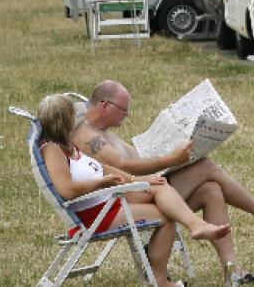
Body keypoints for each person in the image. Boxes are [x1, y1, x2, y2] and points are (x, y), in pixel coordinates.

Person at [70, 80, 254, 285]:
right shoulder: (87, 135)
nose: (127, 114)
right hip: (129, 194)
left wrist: (172, 145)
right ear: (104, 105)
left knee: (211, 190)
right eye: (124, 109)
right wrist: (172, 159)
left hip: (144, 186)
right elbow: (126, 165)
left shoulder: (99, 127)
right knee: (205, 167)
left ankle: (232, 271)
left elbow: (138, 157)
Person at [38, 94, 230, 287]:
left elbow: (102, 168)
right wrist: (102, 183)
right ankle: (161, 279)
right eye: (73, 114)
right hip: (96, 215)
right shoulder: (53, 149)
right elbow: (67, 190)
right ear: (64, 119)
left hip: (108, 201)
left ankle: (195, 226)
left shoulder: (67, 145)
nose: (77, 118)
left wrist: (137, 180)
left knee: (159, 185)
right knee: (167, 215)